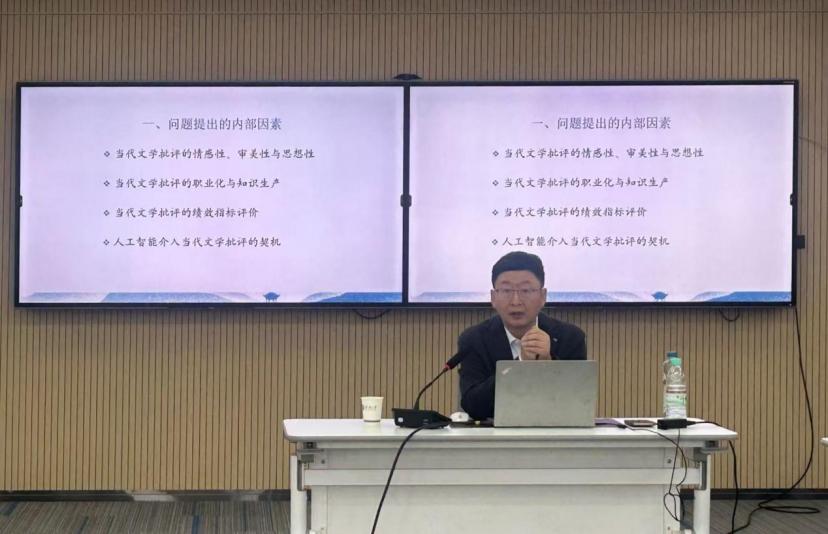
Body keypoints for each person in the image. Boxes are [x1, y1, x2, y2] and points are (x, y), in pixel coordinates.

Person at [458, 251, 587, 420]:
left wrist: (549, 365)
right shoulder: (474, 339)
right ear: (493, 298)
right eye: (506, 290)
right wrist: (519, 366)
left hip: (555, 433)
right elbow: (473, 406)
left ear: (543, 296)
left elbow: (578, 403)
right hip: (493, 435)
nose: (516, 301)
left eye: (526, 290)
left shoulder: (570, 338)